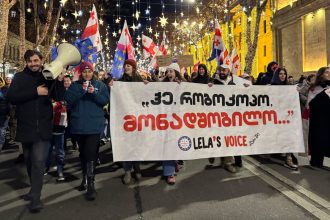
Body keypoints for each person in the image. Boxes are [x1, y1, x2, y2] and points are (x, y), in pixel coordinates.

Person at [6, 49, 65, 213]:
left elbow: (59, 96)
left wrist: (59, 80)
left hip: (43, 128)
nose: (33, 64)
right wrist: (35, 92)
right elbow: (11, 97)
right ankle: (33, 190)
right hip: (26, 126)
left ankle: (36, 198)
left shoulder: (48, 75)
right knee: (30, 161)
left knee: (39, 162)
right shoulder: (19, 77)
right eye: (30, 61)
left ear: (41, 60)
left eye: (36, 60)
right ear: (26, 62)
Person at [65, 62, 109, 200]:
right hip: (79, 126)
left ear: (93, 72)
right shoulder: (74, 86)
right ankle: (84, 177)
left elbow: (105, 100)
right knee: (83, 154)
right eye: (84, 71)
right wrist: (82, 91)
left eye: (89, 71)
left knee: (90, 153)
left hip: (94, 126)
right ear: (81, 73)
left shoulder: (100, 85)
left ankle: (91, 183)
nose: (87, 74)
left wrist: (93, 93)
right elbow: (69, 100)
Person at [111, 59, 146, 184]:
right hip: (125, 118)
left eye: (129, 66)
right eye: (125, 66)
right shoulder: (120, 82)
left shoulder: (140, 81)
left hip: (137, 118)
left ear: (133, 68)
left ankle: (137, 168)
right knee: (126, 146)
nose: (126, 67)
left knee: (136, 145)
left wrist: (148, 85)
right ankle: (127, 171)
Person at [208, 64, 239, 173]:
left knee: (228, 139)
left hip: (229, 117)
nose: (222, 72)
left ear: (228, 72)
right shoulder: (213, 82)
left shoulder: (233, 84)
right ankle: (212, 152)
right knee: (216, 137)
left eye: (224, 70)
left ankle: (228, 162)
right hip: (216, 116)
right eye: (220, 70)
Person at [271, 67, 299, 170]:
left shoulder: (289, 87)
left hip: (286, 117)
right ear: (276, 75)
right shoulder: (271, 86)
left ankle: (288, 158)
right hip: (274, 118)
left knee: (289, 136)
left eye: (284, 74)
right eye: (280, 74)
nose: (283, 76)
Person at [161, 63, 184, 184]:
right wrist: (146, 85)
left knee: (176, 144)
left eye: (171, 71)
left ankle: (174, 162)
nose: (169, 73)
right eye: (167, 71)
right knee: (168, 145)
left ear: (176, 73)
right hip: (165, 120)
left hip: (180, 120)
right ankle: (169, 173)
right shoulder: (161, 85)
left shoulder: (183, 85)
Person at [308, 66, 330, 167]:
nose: (329, 74)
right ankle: (316, 161)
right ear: (321, 75)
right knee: (318, 140)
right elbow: (310, 104)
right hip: (318, 121)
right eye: (326, 72)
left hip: (328, 119)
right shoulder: (314, 88)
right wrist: (323, 95)